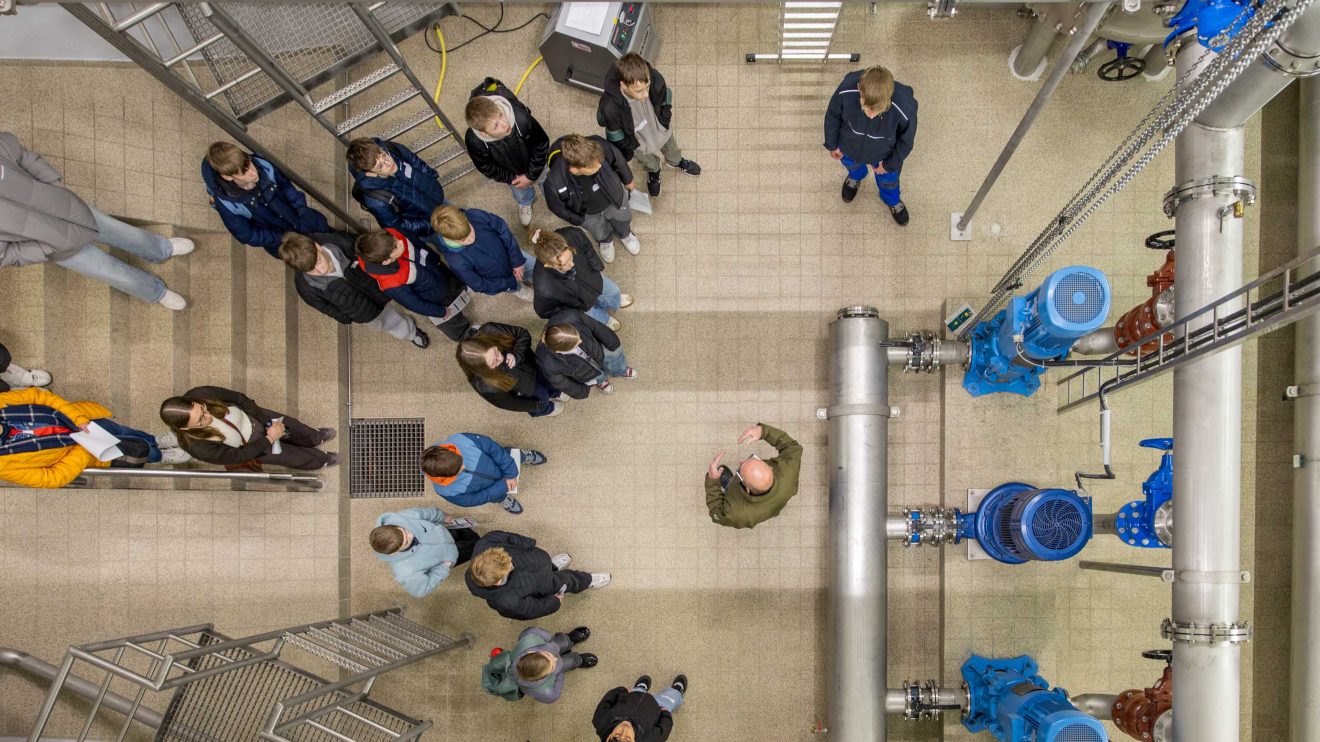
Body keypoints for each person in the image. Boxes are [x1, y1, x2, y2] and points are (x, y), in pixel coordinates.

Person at [2, 132, 193, 309]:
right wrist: (46, 249)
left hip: (66, 207)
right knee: (110, 271)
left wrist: (54, 184)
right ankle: (156, 292)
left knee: (123, 232)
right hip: (53, 246)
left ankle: (162, 249)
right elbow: (9, 255)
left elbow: (20, 154)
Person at [0, 387, 188, 488]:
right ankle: (160, 456)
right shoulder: (3, 465)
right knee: (136, 450)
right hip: (91, 451)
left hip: (84, 422)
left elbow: (39, 397)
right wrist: (81, 447)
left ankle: (156, 440)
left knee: (124, 432)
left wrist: (78, 419)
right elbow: (51, 478)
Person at [278, 232, 430, 349]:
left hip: (376, 286)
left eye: (318, 261)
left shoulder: (340, 242)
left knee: (403, 299)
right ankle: (410, 332)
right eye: (312, 270)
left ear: (317, 246)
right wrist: (347, 317)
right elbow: (326, 308)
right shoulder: (305, 288)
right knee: (390, 323)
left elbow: (366, 254)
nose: (322, 270)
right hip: (363, 311)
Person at [823, 65, 918, 225]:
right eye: (866, 108)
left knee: (889, 182)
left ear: (888, 99)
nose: (871, 115)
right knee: (852, 167)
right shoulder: (845, 90)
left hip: (884, 156)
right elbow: (832, 116)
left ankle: (892, 200)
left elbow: (906, 141)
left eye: (877, 110)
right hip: (849, 147)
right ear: (859, 89)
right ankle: (856, 177)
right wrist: (832, 145)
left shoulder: (905, 108)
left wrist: (888, 165)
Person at [159, 386, 338, 471]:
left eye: (203, 409)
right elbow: (238, 456)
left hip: (255, 418)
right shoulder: (198, 447)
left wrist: (267, 423)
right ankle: (321, 459)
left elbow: (239, 399)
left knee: (294, 427)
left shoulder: (200, 394)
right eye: (200, 420)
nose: (208, 416)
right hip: (254, 446)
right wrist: (269, 438)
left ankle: (315, 437)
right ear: (184, 428)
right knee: (293, 457)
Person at [201, 142, 332, 258]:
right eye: (244, 172)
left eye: (249, 163)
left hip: (303, 220)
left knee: (331, 236)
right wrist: (281, 238)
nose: (253, 172)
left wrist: (301, 210)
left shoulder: (264, 166)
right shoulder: (228, 205)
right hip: (284, 242)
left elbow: (286, 187)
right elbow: (248, 235)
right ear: (228, 177)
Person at [598, 53, 701, 199]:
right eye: (639, 91)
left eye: (647, 87)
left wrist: (664, 122)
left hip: (661, 130)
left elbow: (665, 96)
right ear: (623, 85)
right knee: (648, 161)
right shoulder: (610, 108)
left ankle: (676, 161)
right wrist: (636, 146)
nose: (646, 94)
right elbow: (616, 137)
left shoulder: (653, 78)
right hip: (639, 143)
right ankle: (654, 171)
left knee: (672, 148)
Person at [354, 229, 474, 342]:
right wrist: (440, 312)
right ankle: (464, 334)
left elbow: (418, 243)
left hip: (438, 272)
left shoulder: (392, 234)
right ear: (386, 261)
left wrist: (435, 259)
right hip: (435, 298)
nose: (400, 242)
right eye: (396, 246)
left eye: (394, 239)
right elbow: (415, 304)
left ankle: (462, 292)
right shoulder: (391, 284)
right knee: (451, 321)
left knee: (454, 285)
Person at [465, 530, 610, 620]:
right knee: (567, 580)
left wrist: (529, 544)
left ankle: (552, 566)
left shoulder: (487, 541)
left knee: (548, 566)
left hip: (538, 561)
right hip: (544, 584)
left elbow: (509, 537)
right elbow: (532, 610)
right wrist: (554, 601)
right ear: (498, 582)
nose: (512, 563)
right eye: (510, 567)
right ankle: (586, 580)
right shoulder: (506, 602)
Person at [464, 77, 550, 226]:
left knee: (545, 181)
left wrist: (531, 175)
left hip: (537, 164)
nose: (505, 124)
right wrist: (512, 178)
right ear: (484, 134)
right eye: (496, 126)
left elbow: (541, 144)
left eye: (500, 115)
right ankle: (525, 202)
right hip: (513, 175)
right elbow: (486, 167)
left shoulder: (521, 119)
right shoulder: (475, 142)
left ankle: (550, 194)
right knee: (521, 192)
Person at [542, 134, 640, 264]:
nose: (600, 165)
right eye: (593, 167)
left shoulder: (597, 145)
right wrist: (579, 219)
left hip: (615, 197)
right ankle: (605, 241)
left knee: (622, 218)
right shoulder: (554, 182)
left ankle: (625, 234)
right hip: (587, 213)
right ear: (574, 169)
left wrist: (628, 180)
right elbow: (557, 208)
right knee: (598, 230)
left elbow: (618, 159)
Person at [529, 226, 631, 330]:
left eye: (571, 256)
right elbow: (544, 311)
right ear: (548, 265)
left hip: (592, 278)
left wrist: (596, 267)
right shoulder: (543, 286)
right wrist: (571, 310)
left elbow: (587, 247)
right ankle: (606, 320)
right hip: (581, 304)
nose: (572, 264)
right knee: (594, 316)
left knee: (614, 291)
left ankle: (615, 302)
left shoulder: (571, 234)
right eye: (564, 264)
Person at [705, 423, 804, 529]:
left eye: (739, 472)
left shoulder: (737, 514)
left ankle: (728, 485)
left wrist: (712, 481)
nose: (741, 462)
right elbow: (792, 447)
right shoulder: (788, 473)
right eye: (752, 458)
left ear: (747, 489)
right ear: (770, 468)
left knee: (730, 488)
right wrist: (764, 432)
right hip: (777, 501)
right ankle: (774, 511)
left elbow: (716, 514)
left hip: (744, 505)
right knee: (774, 508)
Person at [421, 433, 547, 514]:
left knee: (506, 455)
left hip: (496, 461)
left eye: (461, 460)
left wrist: (511, 472)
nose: (464, 466)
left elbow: (493, 448)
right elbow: (478, 498)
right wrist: (502, 487)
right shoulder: (446, 491)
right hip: (491, 490)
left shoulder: (460, 440)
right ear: (445, 477)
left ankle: (520, 456)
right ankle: (502, 498)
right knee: (495, 496)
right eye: (459, 470)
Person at [369, 507, 480, 599]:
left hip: (445, 532)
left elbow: (424, 513)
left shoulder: (399, 519)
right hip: (449, 557)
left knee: (469, 534)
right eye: (406, 541)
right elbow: (421, 590)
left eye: (404, 531)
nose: (411, 535)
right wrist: (444, 568)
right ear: (395, 553)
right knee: (476, 549)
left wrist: (442, 517)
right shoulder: (405, 572)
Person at [430, 205, 535, 302]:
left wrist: (516, 259)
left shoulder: (475, 215)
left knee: (534, 269)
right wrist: (510, 282)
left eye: (469, 230)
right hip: (498, 279)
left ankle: (535, 279)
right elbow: (480, 285)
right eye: (463, 239)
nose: (471, 239)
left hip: (513, 254)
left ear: (465, 218)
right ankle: (519, 289)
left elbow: (501, 227)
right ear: (450, 238)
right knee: (515, 287)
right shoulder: (455, 260)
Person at [456, 324, 563, 418]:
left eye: (496, 351)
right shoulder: (486, 387)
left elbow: (522, 334)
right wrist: (538, 406)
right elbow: (512, 404)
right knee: (542, 398)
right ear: (484, 370)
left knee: (548, 380)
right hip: (528, 390)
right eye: (494, 362)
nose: (500, 358)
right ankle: (547, 409)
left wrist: (517, 354)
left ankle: (554, 393)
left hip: (532, 363)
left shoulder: (489, 329)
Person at [346, 138, 446, 240]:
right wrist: (432, 225)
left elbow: (413, 159)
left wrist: (431, 176)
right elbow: (398, 227)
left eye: (384, 155)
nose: (389, 163)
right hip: (429, 224)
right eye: (380, 166)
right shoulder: (376, 201)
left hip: (435, 195)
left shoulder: (389, 148)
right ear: (370, 173)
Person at [536, 311, 638, 399]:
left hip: (596, 350)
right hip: (584, 372)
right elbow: (563, 383)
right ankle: (601, 381)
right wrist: (582, 391)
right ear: (559, 351)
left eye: (578, 336)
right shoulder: (547, 362)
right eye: (575, 344)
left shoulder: (570, 316)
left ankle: (620, 370)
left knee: (614, 359)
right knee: (596, 376)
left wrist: (612, 342)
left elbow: (596, 327)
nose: (580, 340)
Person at [513, 625, 597, 704]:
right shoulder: (546, 693)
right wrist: (559, 673)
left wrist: (550, 639)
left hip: (553, 646)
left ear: (530, 652)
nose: (555, 659)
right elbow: (556, 692)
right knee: (568, 662)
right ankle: (577, 660)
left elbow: (537, 632)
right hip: (555, 658)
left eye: (547, 655)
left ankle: (569, 640)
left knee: (561, 642)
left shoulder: (528, 637)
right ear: (542, 678)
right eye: (552, 666)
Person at [592, 674, 688, 742]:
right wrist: (666, 714)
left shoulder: (600, 722)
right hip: (658, 706)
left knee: (637, 691)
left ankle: (641, 688)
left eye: (616, 736)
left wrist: (622, 690)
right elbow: (664, 731)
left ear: (608, 737)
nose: (625, 729)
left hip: (633, 696)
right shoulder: (649, 740)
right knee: (671, 698)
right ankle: (676, 691)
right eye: (628, 740)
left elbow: (606, 701)